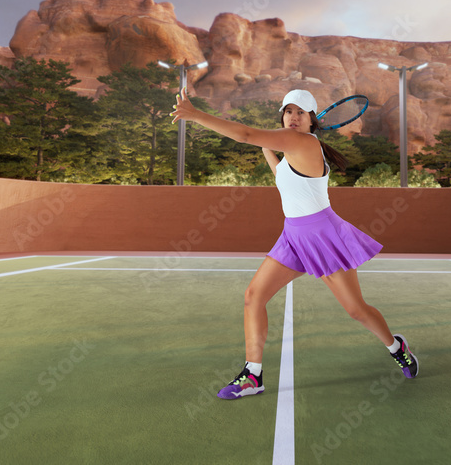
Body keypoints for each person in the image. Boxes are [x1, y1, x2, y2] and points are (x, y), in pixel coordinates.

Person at [170, 88, 418, 400]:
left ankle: (397, 347)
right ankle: (252, 375)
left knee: (356, 310)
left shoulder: (304, 142)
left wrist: (195, 115)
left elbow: (246, 135)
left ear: (313, 121)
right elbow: (281, 175)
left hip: (323, 236)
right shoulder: (290, 154)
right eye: (288, 111)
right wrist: (266, 147)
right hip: (293, 237)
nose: (293, 117)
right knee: (253, 297)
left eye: (301, 112)